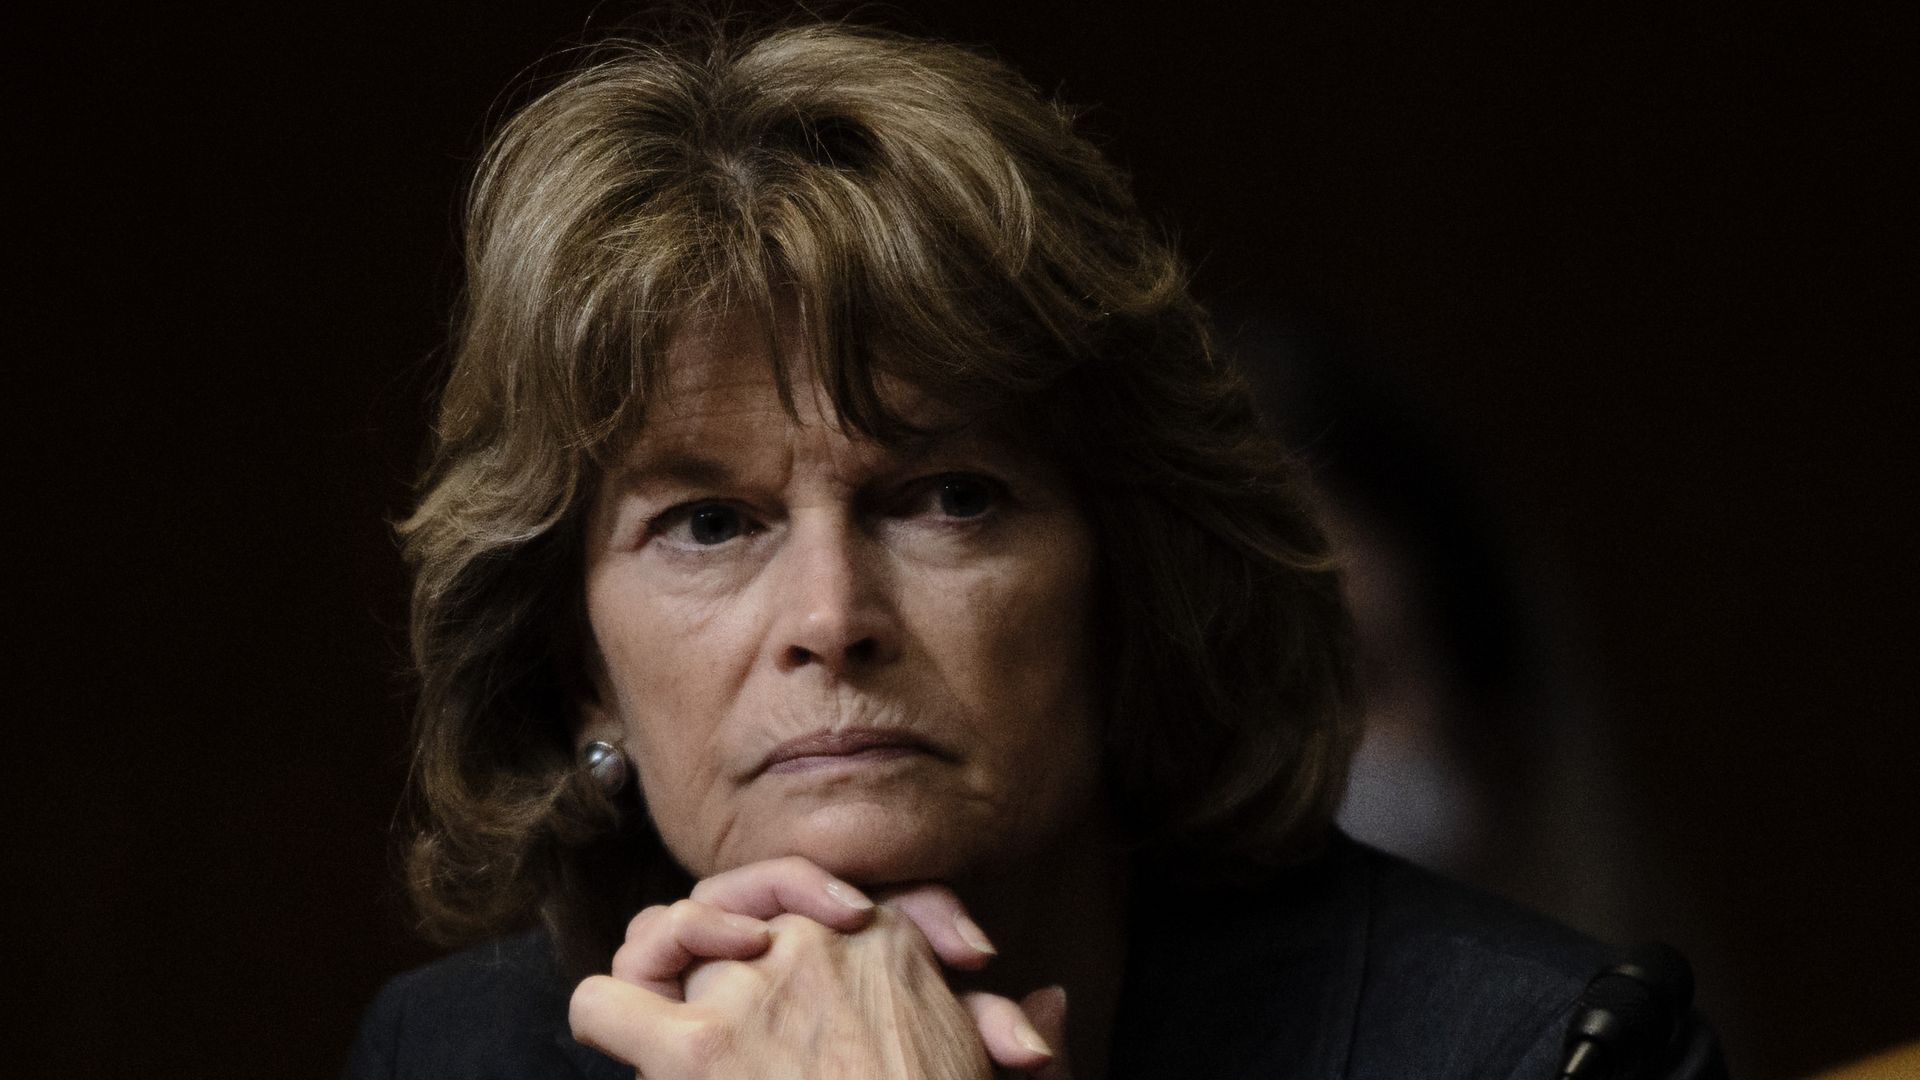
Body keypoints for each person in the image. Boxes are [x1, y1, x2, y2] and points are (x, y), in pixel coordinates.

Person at [346, 17, 1725, 1079]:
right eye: (708, 525)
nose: (832, 616)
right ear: (581, 668)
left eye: (946, 497)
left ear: (1122, 577)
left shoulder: (1543, 1054)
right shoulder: (456, 1059)